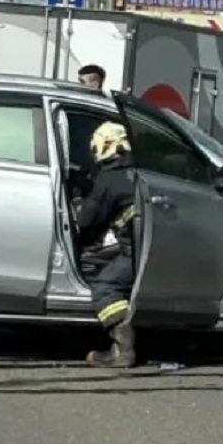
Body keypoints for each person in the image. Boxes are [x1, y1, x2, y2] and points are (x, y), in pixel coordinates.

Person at [75, 121, 138, 368]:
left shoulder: (109, 179)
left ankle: (122, 351)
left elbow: (86, 219)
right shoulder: (139, 171)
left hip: (135, 251)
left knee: (105, 286)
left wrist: (80, 199)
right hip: (145, 247)